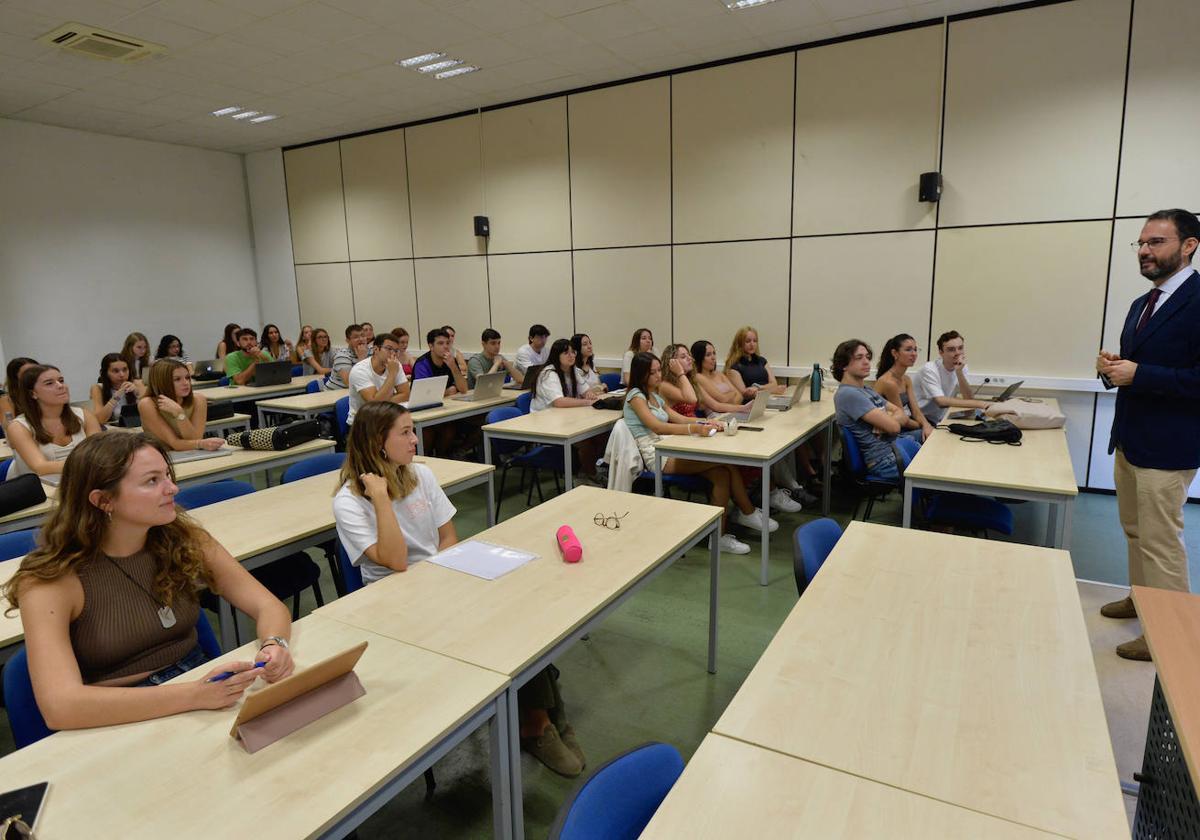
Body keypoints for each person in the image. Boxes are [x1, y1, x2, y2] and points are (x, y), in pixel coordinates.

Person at [333, 401, 585, 775]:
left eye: (413, 429)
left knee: (522, 609)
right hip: (394, 605)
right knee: (500, 625)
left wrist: (444, 573)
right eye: (404, 432)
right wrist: (382, 497)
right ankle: (539, 722)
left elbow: (448, 534)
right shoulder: (349, 502)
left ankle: (545, 714)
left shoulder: (420, 475)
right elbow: (397, 561)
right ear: (376, 442)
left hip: (437, 579)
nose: (415, 439)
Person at [1, 433, 293, 730]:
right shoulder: (50, 581)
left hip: (199, 686)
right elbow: (61, 707)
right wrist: (194, 695)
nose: (173, 488)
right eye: (152, 481)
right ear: (103, 500)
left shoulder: (181, 538)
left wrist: (275, 643)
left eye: (167, 475)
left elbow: (267, 605)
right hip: (120, 712)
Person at [1097, 208, 1200, 661]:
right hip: (1131, 439)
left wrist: (1141, 374)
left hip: (1169, 444)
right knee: (1136, 532)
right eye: (1140, 243)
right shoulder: (1143, 303)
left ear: (1189, 246)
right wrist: (1111, 369)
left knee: (1161, 542)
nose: (1144, 251)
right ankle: (1142, 600)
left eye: (1156, 242)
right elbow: (1135, 371)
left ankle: (1171, 635)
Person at [624, 352, 775, 555]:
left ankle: (720, 535)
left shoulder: (655, 396)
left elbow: (678, 418)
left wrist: (706, 422)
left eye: (659, 370)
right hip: (656, 456)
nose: (658, 375)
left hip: (668, 446)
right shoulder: (635, 396)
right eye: (653, 372)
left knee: (722, 473)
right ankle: (746, 512)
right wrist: (694, 429)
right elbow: (658, 427)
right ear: (641, 374)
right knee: (726, 466)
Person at [832, 340, 918, 484]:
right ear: (844, 365)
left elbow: (900, 412)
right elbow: (895, 427)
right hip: (884, 460)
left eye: (867, 357)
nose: (866, 362)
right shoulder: (849, 394)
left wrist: (888, 421)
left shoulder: (866, 390)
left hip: (893, 449)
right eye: (859, 358)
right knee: (937, 470)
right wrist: (890, 422)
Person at [5, 365, 101, 480]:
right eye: (49, 383)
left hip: (80, 481)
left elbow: (99, 453)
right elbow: (41, 467)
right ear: (33, 394)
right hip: (39, 490)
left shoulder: (85, 415)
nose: (61, 386)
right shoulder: (18, 426)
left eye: (61, 381)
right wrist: (87, 463)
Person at [138, 360, 224, 452]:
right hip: (161, 456)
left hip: (191, 454)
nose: (185, 383)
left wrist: (179, 414)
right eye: (177, 379)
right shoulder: (147, 404)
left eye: (187, 378)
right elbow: (175, 444)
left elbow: (194, 438)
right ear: (162, 382)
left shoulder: (198, 400)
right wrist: (179, 413)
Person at [912, 330, 990, 424]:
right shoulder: (929, 369)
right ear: (941, 352)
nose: (957, 353)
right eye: (951, 349)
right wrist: (981, 404)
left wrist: (959, 372)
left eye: (960, 348)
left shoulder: (961, 367)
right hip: (920, 419)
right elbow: (941, 402)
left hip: (938, 418)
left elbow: (968, 398)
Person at [874, 333, 935, 441]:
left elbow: (916, 411)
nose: (914, 354)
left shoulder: (906, 379)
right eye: (908, 350)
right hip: (889, 432)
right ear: (895, 353)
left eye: (915, 350)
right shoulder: (889, 382)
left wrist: (926, 425)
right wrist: (923, 426)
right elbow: (903, 420)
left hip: (903, 426)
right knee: (931, 436)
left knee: (931, 429)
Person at [347, 332, 410, 426]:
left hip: (387, 417)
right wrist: (392, 374)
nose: (393, 354)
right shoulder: (360, 370)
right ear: (376, 349)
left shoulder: (395, 365)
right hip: (363, 423)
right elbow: (374, 404)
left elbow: (406, 394)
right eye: (389, 349)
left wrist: (383, 402)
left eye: (396, 351)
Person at [690, 340, 752, 416]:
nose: (713, 358)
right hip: (716, 415)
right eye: (708, 355)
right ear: (699, 358)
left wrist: (729, 400)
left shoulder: (719, 374)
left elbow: (739, 396)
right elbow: (722, 399)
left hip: (733, 411)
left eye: (714, 353)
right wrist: (732, 394)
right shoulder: (699, 377)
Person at [532, 339, 595, 411]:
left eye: (573, 352)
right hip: (543, 416)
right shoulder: (549, 374)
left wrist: (589, 394)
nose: (571, 356)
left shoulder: (572, 369)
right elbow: (559, 402)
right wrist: (587, 402)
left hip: (563, 412)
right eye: (566, 353)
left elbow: (585, 390)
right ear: (556, 356)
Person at [725, 326, 786, 397]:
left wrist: (758, 388)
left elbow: (774, 384)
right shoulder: (734, 367)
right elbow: (745, 394)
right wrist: (771, 389)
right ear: (739, 343)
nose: (752, 344)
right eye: (748, 341)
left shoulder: (762, 361)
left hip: (768, 397)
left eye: (755, 341)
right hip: (751, 403)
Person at [90, 353, 143, 426]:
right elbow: (100, 420)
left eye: (125, 370)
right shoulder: (98, 388)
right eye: (116, 371)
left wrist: (137, 395)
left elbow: (150, 414)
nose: (122, 374)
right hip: (112, 431)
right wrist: (117, 396)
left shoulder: (137, 384)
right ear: (105, 373)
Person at [413, 328, 469, 396]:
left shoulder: (451, 360)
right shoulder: (422, 364)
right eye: (440, 343)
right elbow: (423, 394)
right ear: (431, 346)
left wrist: (453, 367)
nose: (446, 346)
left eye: (447, 343)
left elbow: (464, 389)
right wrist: (446, 392)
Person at [2, 356, 39, 434]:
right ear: (15, 379)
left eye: (37, 371)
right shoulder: (7, 400)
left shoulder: (47, 394)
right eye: (27, 373)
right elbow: (10, 430)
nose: (34, 375)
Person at [326, 324, 368, 390]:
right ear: (348, 341)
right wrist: (361, 359)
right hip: (334, 394)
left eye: (363, 336)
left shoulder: (371, 352)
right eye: (356, 337)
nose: (361, 339)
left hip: (357, 392)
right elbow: (348, 382)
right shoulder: (342, 355)